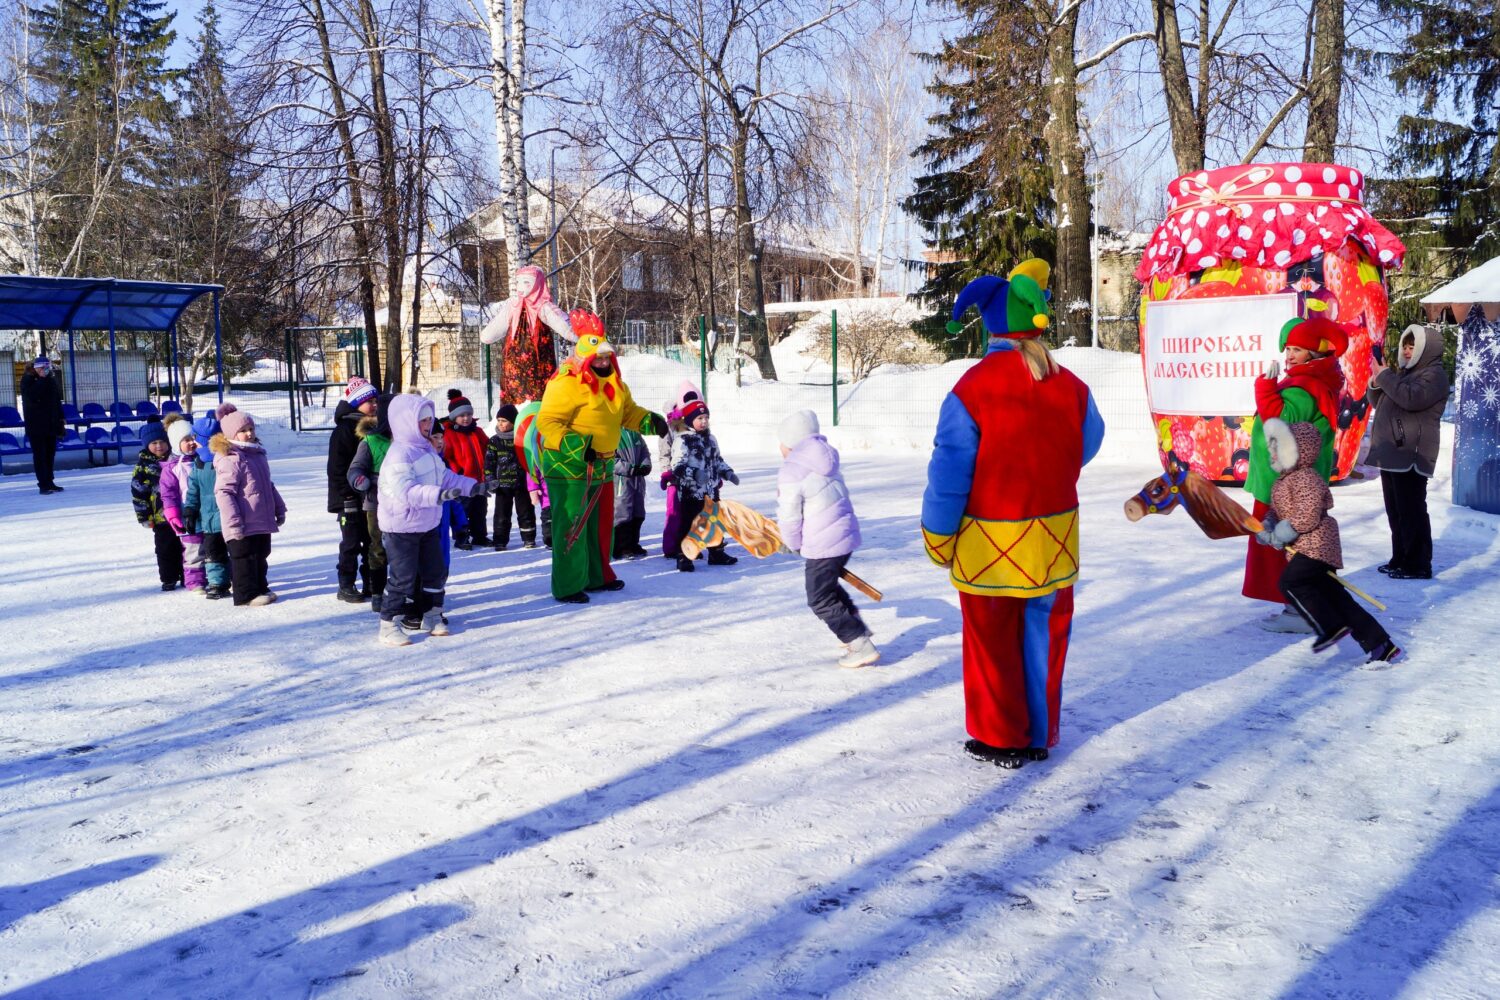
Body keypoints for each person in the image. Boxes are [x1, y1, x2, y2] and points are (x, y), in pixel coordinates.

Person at [921, 261, 1105, 769]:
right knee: (1045, 635)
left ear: (991, 325)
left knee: (991, 641)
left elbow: (949, 472)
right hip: (1053, 538)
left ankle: (1001, 737)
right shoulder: (1069, 383)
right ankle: (1039, 733)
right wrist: (1048, 468)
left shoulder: (973, 388)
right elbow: (1089, 441)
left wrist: (938, 535)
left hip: (990, 544)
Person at [535, 312, 665, 603]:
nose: (604, 362)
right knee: (573, 526)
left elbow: (627, 412)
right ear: (585, 358)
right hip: (569, 468)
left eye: (607, 357)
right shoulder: (565, 383)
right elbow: (548, 423)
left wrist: (651, 422)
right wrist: (579, 448)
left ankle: (597, 575)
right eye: (598, 358)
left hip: (603, 465)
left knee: (600, 524)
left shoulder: (615, 384)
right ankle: (568, 585)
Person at [1257, 419, 1401, 663]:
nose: (1272, 452)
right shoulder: (1283, 481)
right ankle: (1380, 644)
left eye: (1277, 447)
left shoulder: (1306, 478)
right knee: (1337, 598)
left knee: (1290, 583)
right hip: (1306, 546)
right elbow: (1276, 511)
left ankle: (1330, 627)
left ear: (1294, 451)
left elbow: (1308, 514)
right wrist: (1268, 525)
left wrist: (1281, 533)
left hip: (1319, 545)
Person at [1244, 316, 1350, 631]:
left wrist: (1264, 386)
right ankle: (1299, 607)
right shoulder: (1306, 380)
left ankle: (1300, 611)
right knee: (1284, 547)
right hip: (1283, 482)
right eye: (1288, 348)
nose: (1289, 355)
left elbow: (1280, 419)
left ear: (1314, 355)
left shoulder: (1306, 386)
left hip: (1288, 486)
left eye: (1298, 349)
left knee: (1288, 548)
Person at [376, 394, 494, 646]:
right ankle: (388, 624)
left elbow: (447, 478)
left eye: (429, 419)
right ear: (405, 422)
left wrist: (474, 487)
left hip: (427, 522)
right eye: (422, 421)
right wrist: (438, 495)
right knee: (403, 577)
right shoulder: (398, 455)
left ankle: (431, 615)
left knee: (435, 572)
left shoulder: (426, 450)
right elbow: (406, 491)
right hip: (402, 527)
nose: (428, 425)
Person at [777, 409, 877, 667]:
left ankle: (859, 644)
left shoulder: (792, 469)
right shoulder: (825, 459)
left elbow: (789, 516)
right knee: (828, 586)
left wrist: (793, 543)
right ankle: (856, 629)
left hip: (823, 542)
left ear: (790, 443)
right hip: (844, 536)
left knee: (819, 598)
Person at [1367, 324, 1450, 580]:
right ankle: (1401, 558)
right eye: (1405, 345)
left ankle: (1417, 564)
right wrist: (1375, 382)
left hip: (1412, 454)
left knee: (1411, 510)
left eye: (1412, 347)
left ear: (1426, 350)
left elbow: (1411, 399)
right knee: (1396, 511)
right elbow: (1380, 403)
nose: (1406, 351)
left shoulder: (1433, 375)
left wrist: (1385, 377)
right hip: (1394, 452)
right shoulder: (1404, 374)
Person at [211, 410, 286, 608]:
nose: (249, 433)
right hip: (242, 521)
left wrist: (278, 508)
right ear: (230, 435)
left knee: (261, 554)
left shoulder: (257, 454)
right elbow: (223, 493)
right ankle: (245, 594)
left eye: (251, 428)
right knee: (244, 557)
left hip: (260, 517)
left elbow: (267, 485)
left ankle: (260, 586)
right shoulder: (231, 458)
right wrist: (233, 522)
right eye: (243, 431)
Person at [477, 264, 578, 404]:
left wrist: (581, 336)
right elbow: (490, 333)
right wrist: (486, 335)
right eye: (518, 282)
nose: (521, 287)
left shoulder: (543, 307)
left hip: (537, 367)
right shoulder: (513, 305)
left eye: (527, 282)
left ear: (538, 284)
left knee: (537, 403)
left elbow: (564, 327)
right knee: (515, 404)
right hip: (514, 369)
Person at [667, 399, 739, 572]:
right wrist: (695, 474)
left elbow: (717, 460)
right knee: (689, 524)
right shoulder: (683, 440)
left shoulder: (711, 439)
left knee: (714, 522)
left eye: (706, 417)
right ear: (690, 420)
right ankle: (685, 556)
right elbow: (677, 466)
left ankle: (716, 553)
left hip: (711, 491)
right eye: (699, 418)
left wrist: (727, 472)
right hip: (691, 493)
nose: (704, 421)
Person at [328, 376, 379, 603]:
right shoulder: (345, 429)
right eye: (370, 400)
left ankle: (371, 582)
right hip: (348, 498)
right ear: (357, 402)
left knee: (371, 540)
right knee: (351, 542)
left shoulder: (374, 427)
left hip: (368, 496)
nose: (374, 404)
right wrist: (346, 494)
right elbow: (336, 467)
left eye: (376, 400)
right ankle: (346, 584)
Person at [347, 393, 394, 612]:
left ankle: (404, 590)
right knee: (378, 547)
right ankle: (377, 592)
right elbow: (355, 468)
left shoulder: (407, 440)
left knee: (404, 548)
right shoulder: (370, 441)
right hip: (376, 503)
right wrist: (361, 480)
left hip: (404, 502)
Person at [130, 421, 184, 591]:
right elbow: (139, 494)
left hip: (180, 513)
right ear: (147, 445)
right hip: (160, 517)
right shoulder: (143, 466)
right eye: (154, 443)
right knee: (165, 549)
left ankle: (187, 574)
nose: (159, 446)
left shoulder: (177, 460)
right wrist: (144, 517)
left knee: (185, 546)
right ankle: (168, 578)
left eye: (162, 442)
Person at [183, 414, 231, 599]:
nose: (193, 443)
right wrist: (190, 510)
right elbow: (193, 489)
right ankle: (217, 583)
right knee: (213, 552)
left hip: (229, 516)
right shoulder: (199, 463)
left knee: (234, 550)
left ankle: (237, 578)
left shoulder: (225, 460)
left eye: (196, 439)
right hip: (209, 518)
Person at [159, 415, 208, 592]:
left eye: (193, 438)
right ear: (175, 444)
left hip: (209, 512)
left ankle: (218, 577)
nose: (191, 443)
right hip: (188, 515)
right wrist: (172, 515)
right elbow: (168, 494)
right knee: (193, 550)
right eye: (186, 440)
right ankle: (195, 582)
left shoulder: (204, 460)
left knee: (214, 546)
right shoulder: (172, 468)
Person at [442, 390, 491, 549]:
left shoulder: (477, 431)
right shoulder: (449, 434)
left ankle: (480, 536)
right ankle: (461, 537)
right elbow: (447, 456)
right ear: (454, 417)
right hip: (462, 481)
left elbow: (488, 449)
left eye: (468, 414)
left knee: (480, 510)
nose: (466, 418)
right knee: (462, 510)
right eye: (462, 415)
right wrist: (458, 470)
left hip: (479, 480)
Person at [658, 381, 701, 558]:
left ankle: (690, 546)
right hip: (675, 477)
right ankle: (671, 547)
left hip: (694, 478)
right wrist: (667, 472)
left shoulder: (697, 423)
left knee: (693, 513)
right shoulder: (671, 425)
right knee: (675, 512)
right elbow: (664, 451)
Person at [485, 403, 537, 549]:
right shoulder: (494, 441)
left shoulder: (520, 439)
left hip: (521, 484)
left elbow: (528, 458)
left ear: (513, 422)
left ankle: (529, 538)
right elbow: (489, 462)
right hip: (502, 486)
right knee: (501, 515)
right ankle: (500, 541)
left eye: (504, 421)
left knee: (526, 512)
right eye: (498, 420)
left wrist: (532, 477)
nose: (500, 424)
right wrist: (490, 479)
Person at [19, 356, 65, 494]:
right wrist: (41, 380)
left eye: (47, 367)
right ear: (36, 368)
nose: (46, 370)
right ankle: (43, 484)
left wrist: (61, 417)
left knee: (50, 454)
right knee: (39, 455)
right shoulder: (28, 380)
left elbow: (56, 400)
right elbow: (32, 397)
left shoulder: (49, 380)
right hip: (36, 425)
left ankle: (50, 481)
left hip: (51, 423)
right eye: (43, 368)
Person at [612, 427, 652, 559]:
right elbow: (610, 459)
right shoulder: (612, 432)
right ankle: (621, 546)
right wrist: (629, 468)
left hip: (637, 479)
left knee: (638, 511)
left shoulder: (635, 432)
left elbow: (645, 451)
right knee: (622, 512)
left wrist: (645, 464)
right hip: (622, 480)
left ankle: (633, 543)